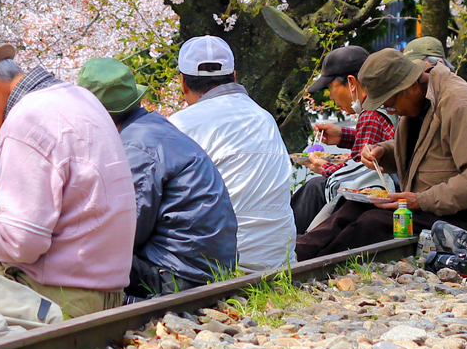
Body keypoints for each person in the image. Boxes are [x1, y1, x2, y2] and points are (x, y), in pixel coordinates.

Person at [0, 31, 136, 317]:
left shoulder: (25, 121)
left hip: (60, 299)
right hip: (102, 291)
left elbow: (20, 244)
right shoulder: (78, 97)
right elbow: (72, 199)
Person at [295, 46, 467, 259]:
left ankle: (318, 268)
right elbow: (423, 152)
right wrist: (384, 152)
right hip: (429, 208)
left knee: (372, 223)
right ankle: (296, 256)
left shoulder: (461, 105)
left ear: (409, 86)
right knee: (351, 206)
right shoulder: (419, 99)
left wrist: (421, 201)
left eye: (390, 105)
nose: (392, 111)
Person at [77, 58, 239, 298]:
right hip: (204, 269)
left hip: (177, 278)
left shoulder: (135, 148)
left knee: (72, 254)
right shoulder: (153, 129)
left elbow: (123, 233)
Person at [169, 36, 295, 272]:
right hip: (280, 260)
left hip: (217, 267)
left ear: (183, 82)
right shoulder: (265, 118)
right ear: (234, 76)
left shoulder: (178, 126)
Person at [296, 45, 396, 234]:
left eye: (331, 88)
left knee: (314, 188)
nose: (331, 96)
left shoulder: (371, 114)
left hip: (376, 203)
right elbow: (377, 143)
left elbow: (361, 174)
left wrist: (324, 167)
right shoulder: (387, 104)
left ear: (351, 82)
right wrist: (343, 136)